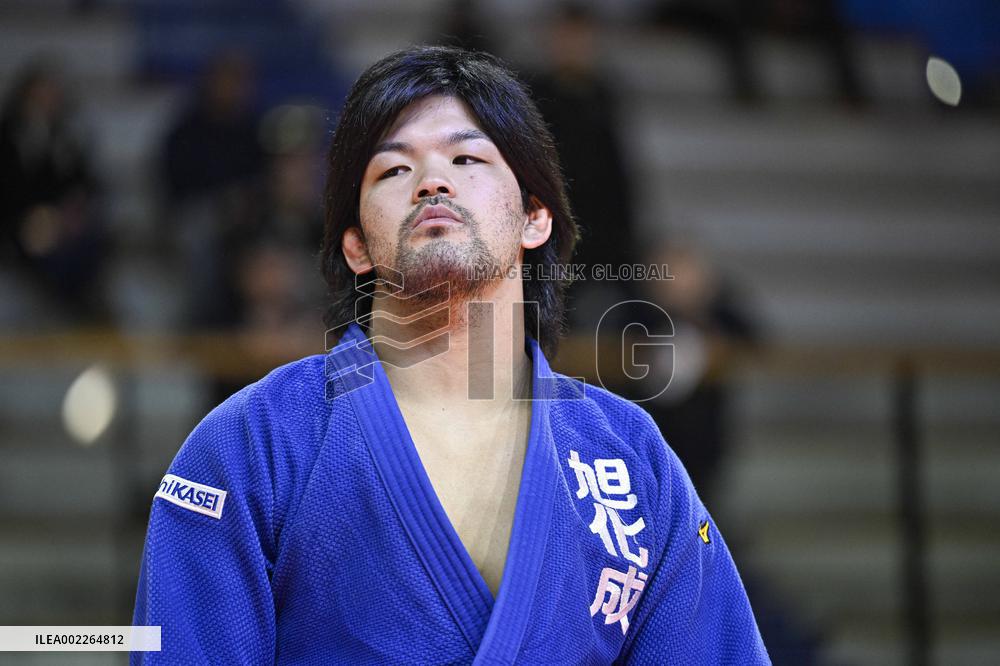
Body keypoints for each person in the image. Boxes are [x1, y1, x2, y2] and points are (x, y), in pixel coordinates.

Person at [131, 46, 768, 664]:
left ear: (534, 217)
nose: (432, 180)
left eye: (467, 158)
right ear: (357, 245)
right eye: (394, 170)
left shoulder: (630, 458)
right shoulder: (250, 446)